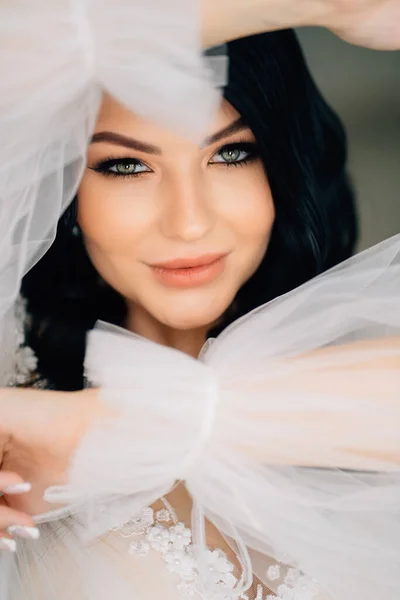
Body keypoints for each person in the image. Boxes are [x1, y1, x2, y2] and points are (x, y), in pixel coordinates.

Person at [0, 2, 399, 600]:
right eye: (126, 165)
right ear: (65, 192)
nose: (189, 223)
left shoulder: (363, 361)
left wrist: (99, 430)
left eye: (231, 154)